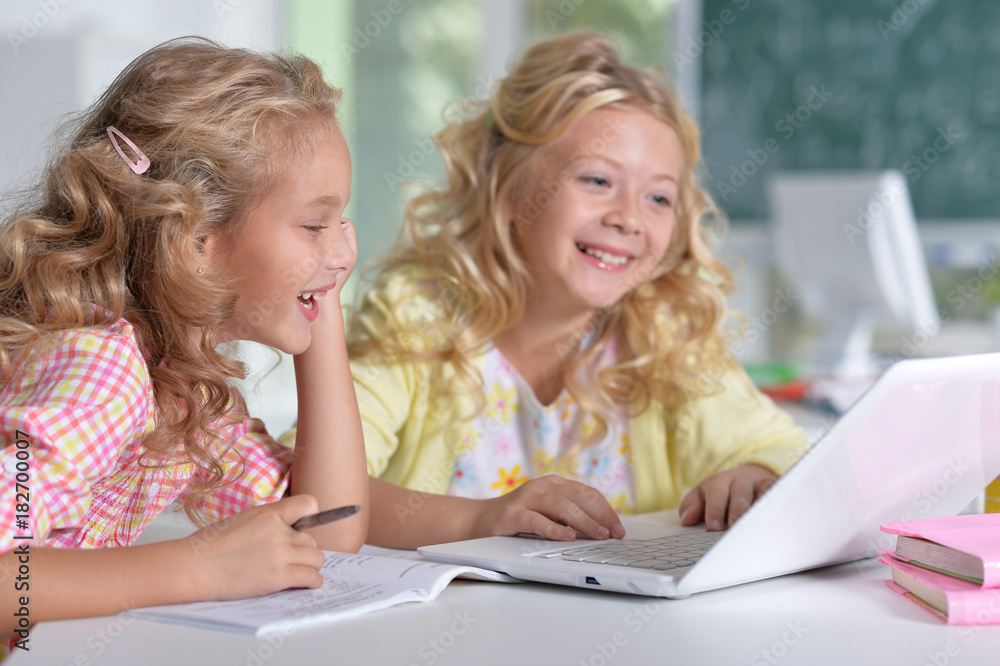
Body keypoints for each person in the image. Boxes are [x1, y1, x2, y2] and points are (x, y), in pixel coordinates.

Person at [332, 32, 806, 549]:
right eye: (598, 181)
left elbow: (783, 449)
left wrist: (755, 472)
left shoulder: (666, 331)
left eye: (658, 198)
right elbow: (325, 492)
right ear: (510, 190)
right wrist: (480, 520)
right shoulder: (416, 313)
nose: (628, 217)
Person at [0, 38, 367, 643]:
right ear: (197, 238)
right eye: (314, 225)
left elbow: (324, 532)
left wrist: (320, 298)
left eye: (341, 224)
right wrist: (195, 566)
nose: (345, 251)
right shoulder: (100, 369)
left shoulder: (179, 385)